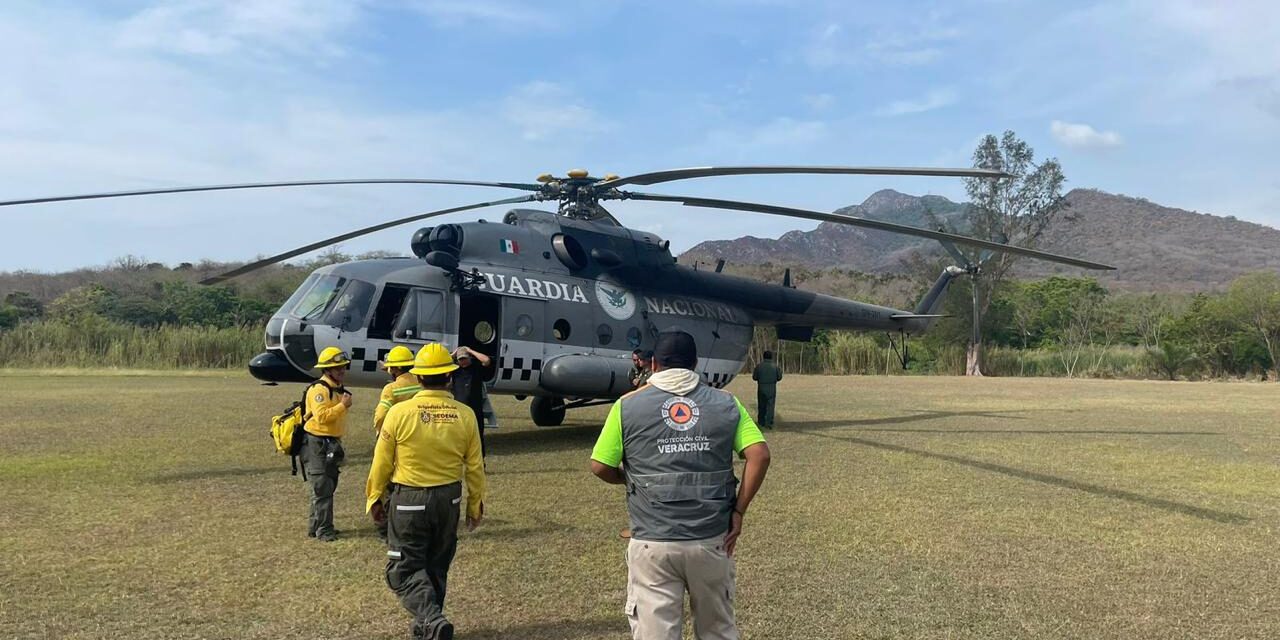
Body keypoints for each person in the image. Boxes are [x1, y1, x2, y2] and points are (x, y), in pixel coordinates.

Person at [591, 330, 771, 640]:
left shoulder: (626, 406)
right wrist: (739, 510)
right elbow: (760, 455)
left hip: (652, 540)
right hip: (712, 538)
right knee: (718, 630)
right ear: (696, 363)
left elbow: (599, 465)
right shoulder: (726, 403)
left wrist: (627, 478)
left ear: (654, 364)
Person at [367, 343, 486, 640]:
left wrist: (374, 497)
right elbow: (475, 466)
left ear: (419, 377)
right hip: (449, 499)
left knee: (402, 570)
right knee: (436, 565)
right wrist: (474, 505)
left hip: (409, 499)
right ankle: (428, 627)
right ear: (449, 376)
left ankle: (431, 619)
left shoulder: (398, 413)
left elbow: (381, 461)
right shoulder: (466, 415)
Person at [303, 346, 353, 542]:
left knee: (327, 485)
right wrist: (342, 406)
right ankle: (324, 529)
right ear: (327, 370)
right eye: (337, 367)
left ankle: (316, 526)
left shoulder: (336, 389)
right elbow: (322, 417)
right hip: (318, 443)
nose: (342, 370)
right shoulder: (319, 390)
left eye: (343, 367)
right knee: (322, 486)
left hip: (330, 442)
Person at [372, 345, 421, 542]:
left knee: (387, 485)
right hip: (418, 440)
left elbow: (381, 416)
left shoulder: (391, 389)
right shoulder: (421, 382)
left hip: (396, 440)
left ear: (394, 369)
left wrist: (380, 431)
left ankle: (386, 528)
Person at [450, 346, 493, 458]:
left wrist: (470, 350)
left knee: (478, 437)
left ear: (470, 358)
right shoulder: (455, 371)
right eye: (460, 359)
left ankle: (480, 463)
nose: (463, 361)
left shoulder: (477, 369)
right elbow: (443, 364)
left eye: (464, 358)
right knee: (458, 438)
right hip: (459, 411)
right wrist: (454, 353)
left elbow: (487, 360)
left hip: (475, 410)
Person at [751, 351, 783, 429]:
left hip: (761, 387)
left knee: (761, 405)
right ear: (771, 357)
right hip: (772, 388)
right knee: (770, 406)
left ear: (763, 357)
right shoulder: (775, 366)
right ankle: (769, 423)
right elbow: (779, 377)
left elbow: (754, 377)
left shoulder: (759, 366)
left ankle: (761, 422)